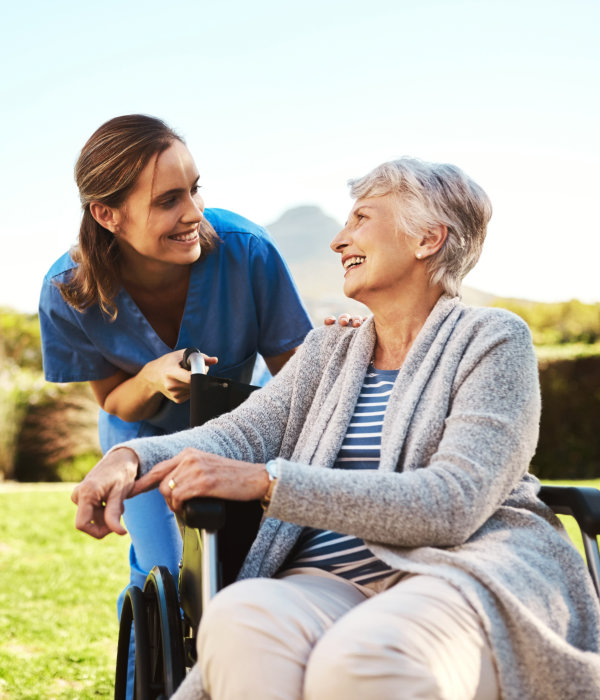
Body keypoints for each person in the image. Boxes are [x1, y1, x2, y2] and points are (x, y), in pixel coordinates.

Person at [72, 157, 600, 700]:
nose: (338, 240)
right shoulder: (331, 349)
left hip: (457, 572)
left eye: (361, 219)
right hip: (329, 582)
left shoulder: (490, 339)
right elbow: (238, 434)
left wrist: (269, 483)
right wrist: (133, 457)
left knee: (363, 659)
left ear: (427, 239)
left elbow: (455, 502)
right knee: (238, 619)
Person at [38, 114, 314, 615]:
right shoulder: (68, 291)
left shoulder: (248, 252)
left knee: (241, 569)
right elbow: (112, 402)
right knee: (163, 577)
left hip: (237, 432)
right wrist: (149, 377)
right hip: (136, 437)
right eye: (168, 200)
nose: (194, 214)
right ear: (107, 214)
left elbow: (302, 380)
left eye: (194, 189)